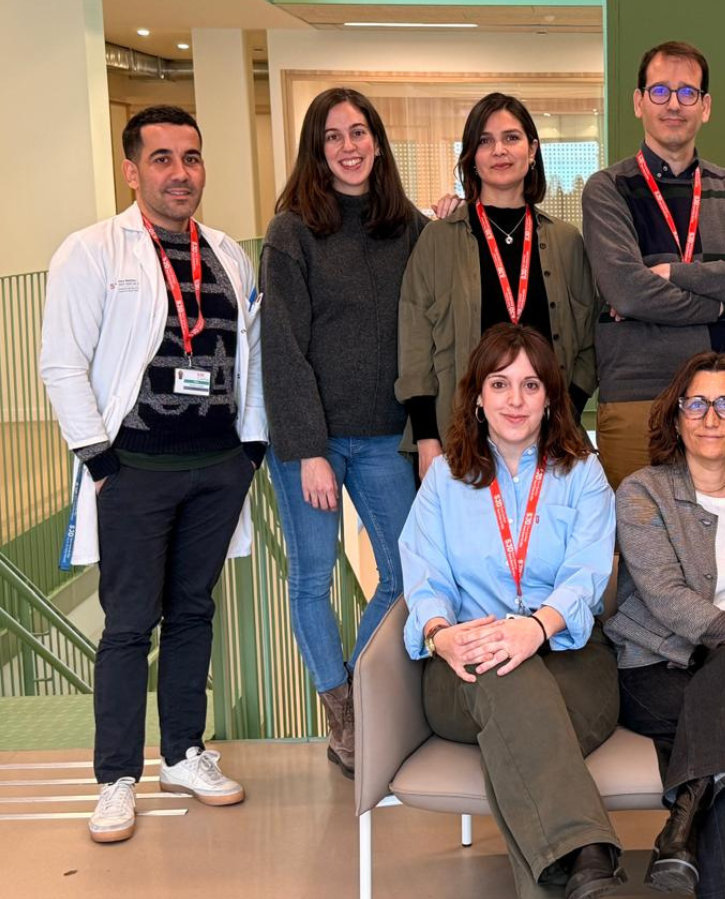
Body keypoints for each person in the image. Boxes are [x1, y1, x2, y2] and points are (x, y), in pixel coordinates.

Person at [39, 106, 264, 843]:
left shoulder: (226, 254)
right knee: (129, 625)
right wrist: (101, 462)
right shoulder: (92, 251)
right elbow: (61, 364)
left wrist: (251, 452)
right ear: (131, 170)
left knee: (193, 612)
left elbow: (251, 359)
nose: (180, 173)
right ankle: (115, 779)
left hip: (216, 468)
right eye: (162, 158)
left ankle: (183, 754)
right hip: (134, 470)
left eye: (191, 158)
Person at [400, 324, 622, 899]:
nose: (515, 400)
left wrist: (536, 627)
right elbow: (423, 574)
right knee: (503, 670)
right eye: (499, 384)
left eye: (530, 385)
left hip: (572, 657)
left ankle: (573, 871)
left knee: (516, 732)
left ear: (550, 397)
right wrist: (440, 634)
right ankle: (591, 860)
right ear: (478, 396)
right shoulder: (445, 478)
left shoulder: (584, 473)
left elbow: (587, 575)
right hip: (465, 664)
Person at [261, 87, 428, 778]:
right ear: (316, 150)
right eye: (332, 136)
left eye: (358, 132)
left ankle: (359, 687)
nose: (348, 147)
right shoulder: (292, 231)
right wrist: (307, 450)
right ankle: (343, 716)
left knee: (407, 574)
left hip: (387, 434)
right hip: (315, 441)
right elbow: (282, 347)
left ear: (378, 143)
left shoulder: (409, 227)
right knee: (312, 579)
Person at [605, 351, 725, 898]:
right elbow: (664, 595)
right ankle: (692, 848)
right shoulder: (642, 491)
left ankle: (679, 834)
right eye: (697, 404)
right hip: (654, 667)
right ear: (677, 416)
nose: (711, 418)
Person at [582, 40, 725, 489]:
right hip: (638, 394)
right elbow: (628, 292)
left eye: (688, 92)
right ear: (639, 102)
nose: (674, 104)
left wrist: (674, 273)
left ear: (705, 107)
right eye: (660, 91)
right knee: (639, 530)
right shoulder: (608, 189)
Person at [398, 92, 598, 483]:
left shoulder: (567, 242)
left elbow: (589, 343)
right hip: (457, 440)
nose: (499, 150)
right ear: (471, 156)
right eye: (485, 141)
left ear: (532, 149)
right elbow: (414, 346)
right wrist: (427, 438)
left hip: (550, 441)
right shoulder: (438, 240)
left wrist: (564, 417)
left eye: (511, 138)